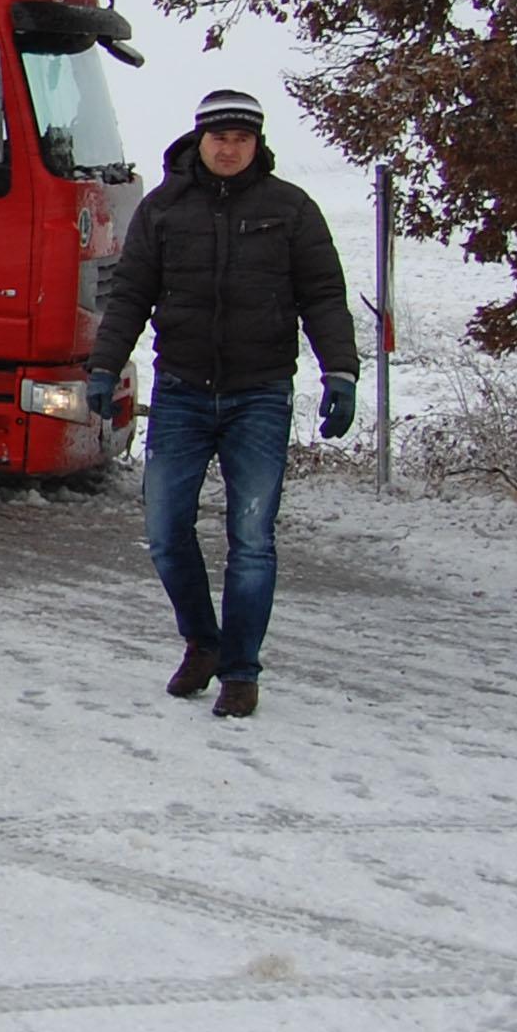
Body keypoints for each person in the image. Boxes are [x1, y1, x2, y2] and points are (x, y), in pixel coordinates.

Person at [85, 89, 359, 720]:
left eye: (242, 138)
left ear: (257, 144)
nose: (229, 148)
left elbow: (322, 295)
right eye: (219, 137)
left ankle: (240, 670)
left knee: (252, 537)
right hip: (181, 391)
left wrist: (339, 372)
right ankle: (202, 642)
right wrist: (104, 366)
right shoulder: (163, 210)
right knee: (164, 532)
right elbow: (129, 295)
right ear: (199, 141)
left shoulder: (291, 210)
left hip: (259, 394)